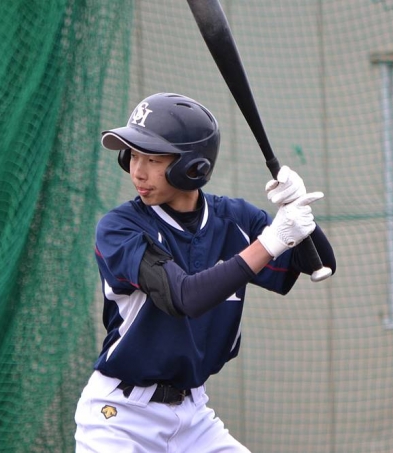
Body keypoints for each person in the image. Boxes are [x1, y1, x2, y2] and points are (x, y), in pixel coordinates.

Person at [74, 92, 336, 452]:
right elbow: (185, 297)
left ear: (192, 167)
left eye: (153, 159)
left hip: (193, 417)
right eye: (133, 155)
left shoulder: (234, 219)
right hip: (120, 417)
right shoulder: (120, 227)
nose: (138, 171)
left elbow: (321, 263)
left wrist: (298, 211)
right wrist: (272, 240)